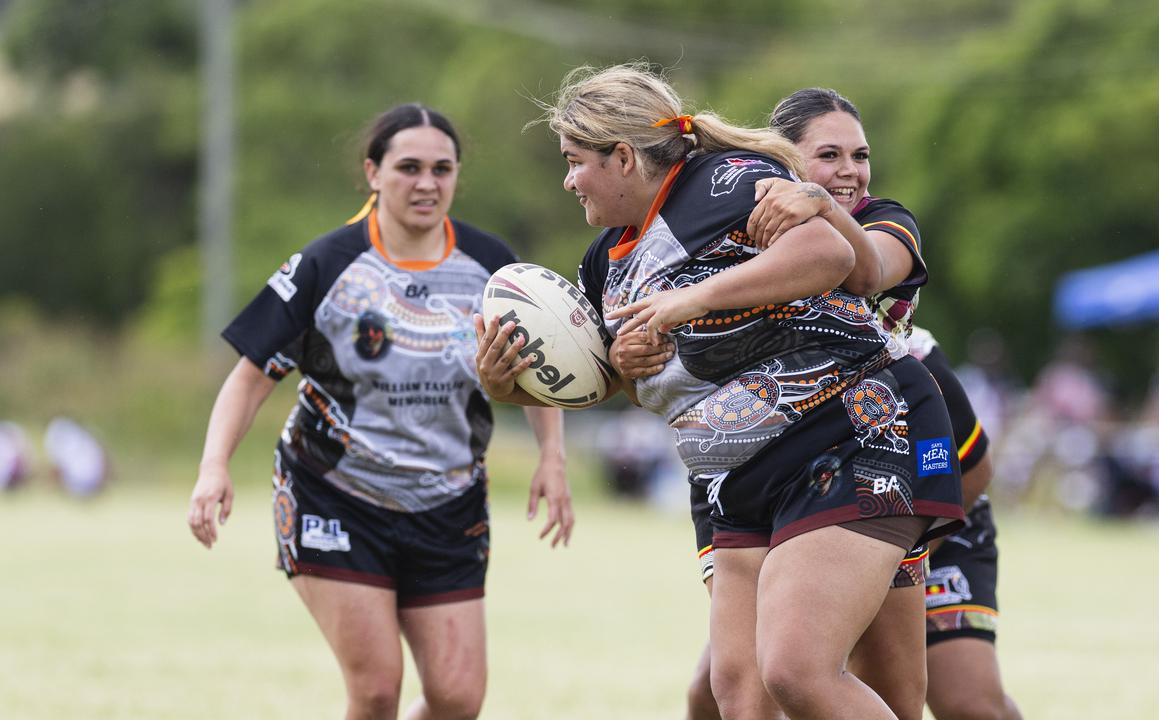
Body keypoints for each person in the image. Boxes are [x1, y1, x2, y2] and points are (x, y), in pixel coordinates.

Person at [477, 65, 962, 720]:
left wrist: (687, 301)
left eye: (574, 162)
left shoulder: (724, 181)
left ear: (623, 157)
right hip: (736, 476)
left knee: (799, 670)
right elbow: (609, 376)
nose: (568, 180)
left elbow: (831, 256)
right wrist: (509, 386)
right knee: (740, 698)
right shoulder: (603, 261)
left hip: (849, 433)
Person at [612, 88, 1020, 720]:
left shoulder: (883, 220)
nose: (851, 170)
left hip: (895, 447)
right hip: (769, 467)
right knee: (724, 692)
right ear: (777, 165)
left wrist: (865, 565)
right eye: (828, 156)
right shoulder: (716, 238)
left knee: (960, 700)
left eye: (860, 154)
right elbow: (645, 361)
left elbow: (868, 269)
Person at [186, 103, 572, 720]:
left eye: (442, 169)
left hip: (448, 502)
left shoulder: (491, 266)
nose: (427, 183)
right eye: (408, 167)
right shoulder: (327, 264)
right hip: (335, 494)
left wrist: (552, 458)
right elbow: (251, 377)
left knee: (457, 698)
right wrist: (214, 467)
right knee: (374, 692)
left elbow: (539, 367)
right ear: (373, 172)